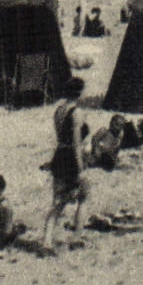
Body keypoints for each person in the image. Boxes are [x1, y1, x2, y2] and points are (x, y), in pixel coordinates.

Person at [41, 77, 90, 253]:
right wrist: (80, 167)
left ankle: (47, 242)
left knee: (57, 202)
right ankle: (76, 238)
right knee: (83, 197)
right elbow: (76, 143)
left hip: (59, 155)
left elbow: (60, 136)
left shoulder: (59, 110)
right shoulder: (77, 113)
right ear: (80, 92)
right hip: (71, 157)